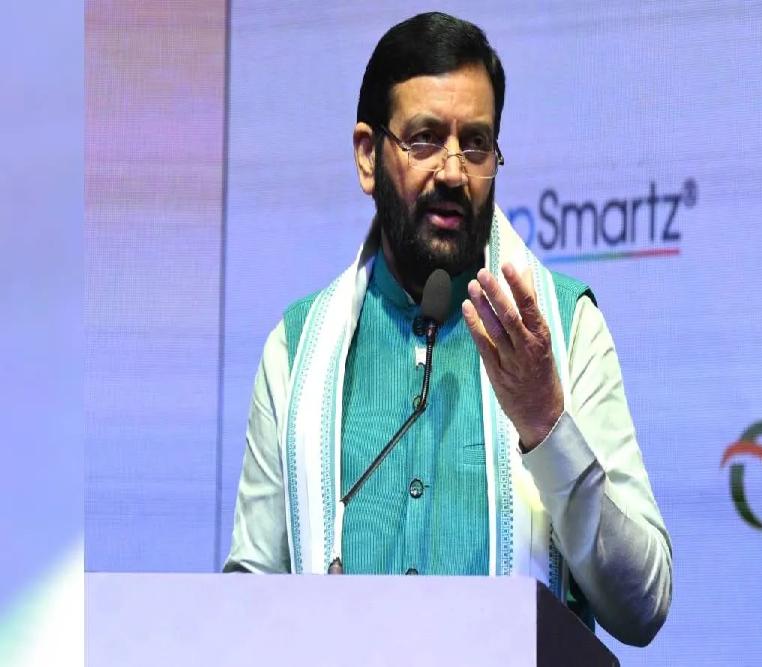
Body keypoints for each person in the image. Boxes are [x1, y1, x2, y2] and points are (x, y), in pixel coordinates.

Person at [225, 11, 672, 647]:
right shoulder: (295, 351)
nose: (454, 172)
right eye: (425, 139)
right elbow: (247, 606)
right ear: (367, 157)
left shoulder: (565, 329)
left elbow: (643, 606)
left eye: (476, 144)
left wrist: (547, 425)